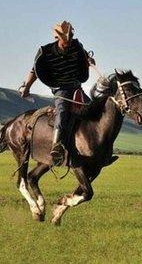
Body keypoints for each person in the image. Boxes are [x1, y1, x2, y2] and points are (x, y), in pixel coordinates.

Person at [19, 21, 95, 166]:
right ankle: (57, 146)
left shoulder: (77, 47)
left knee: (92, 110)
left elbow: (84, 60)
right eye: (67, 37)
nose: (69, 39)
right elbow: (35, 71)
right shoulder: (46, 52)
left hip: (77, 87)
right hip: (61, 90)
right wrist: (27, 87)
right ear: (57, 38)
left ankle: (97, 149)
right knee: (62, 112)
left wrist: (89, 61)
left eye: (71, 36)